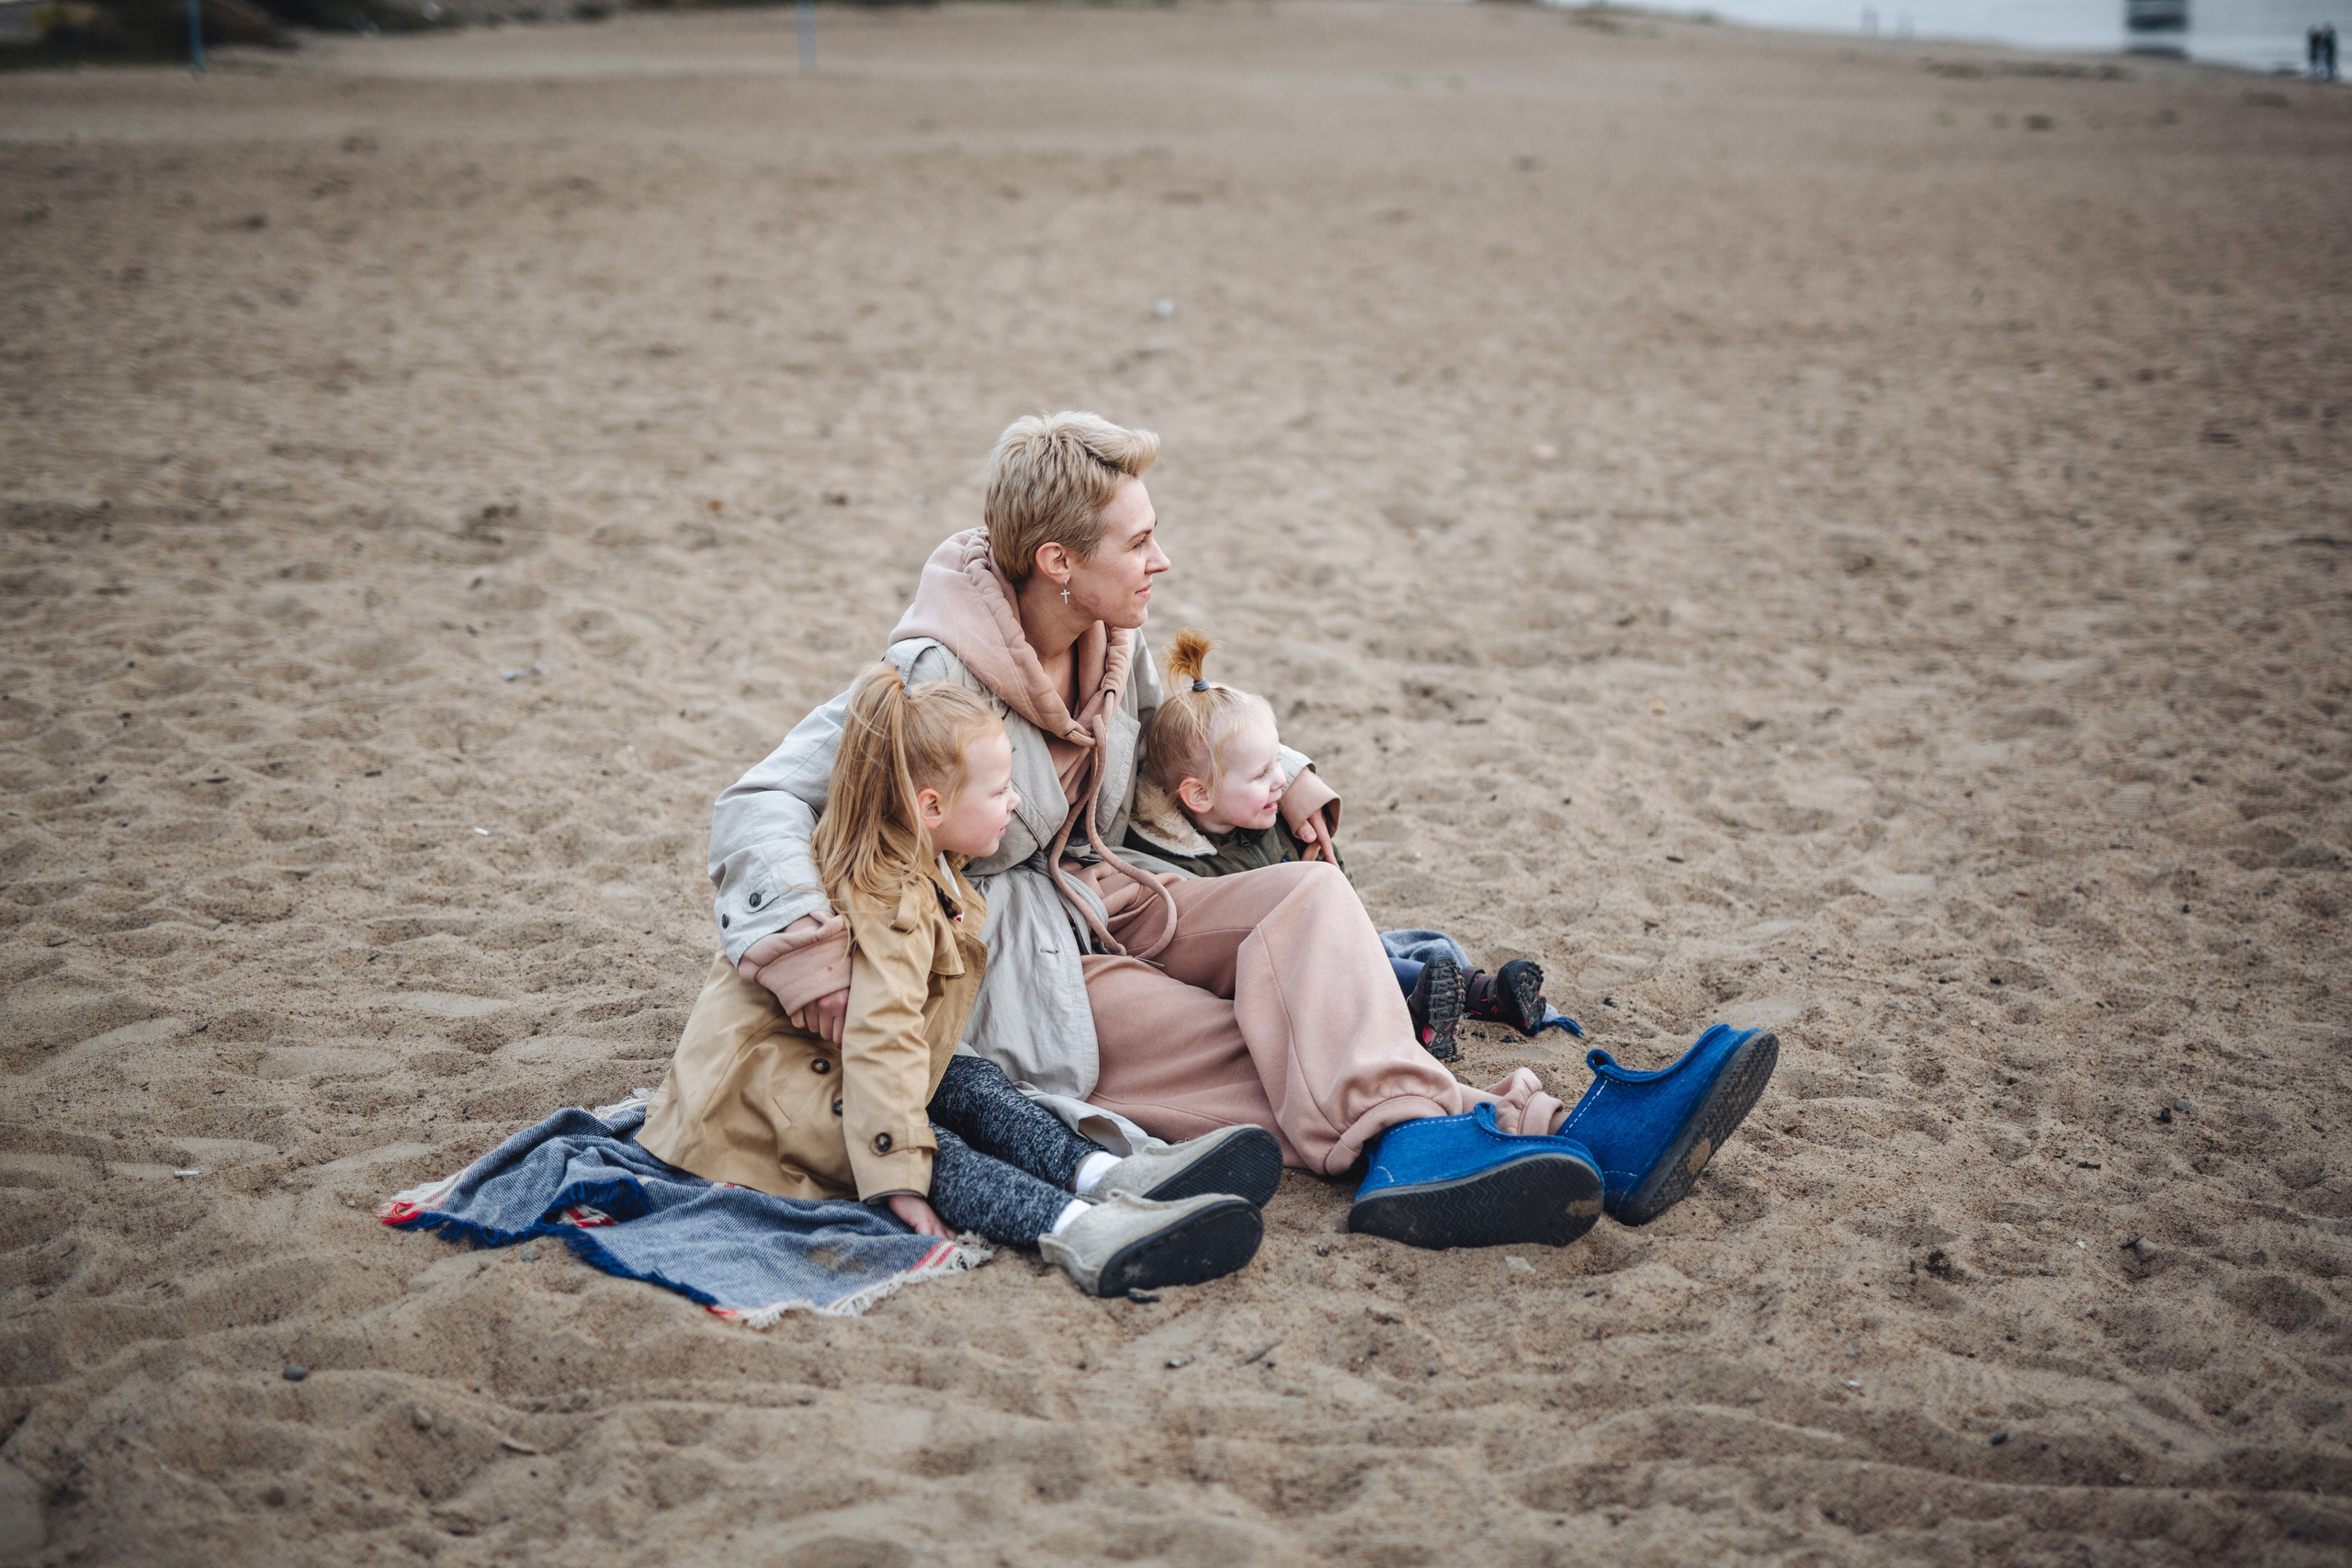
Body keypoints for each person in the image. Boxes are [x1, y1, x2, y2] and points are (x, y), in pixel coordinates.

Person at [693, 412, 1776, 1251]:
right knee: (1259, 1045)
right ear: (1059, 562)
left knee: (1309, 901)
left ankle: (1454, 1141)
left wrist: (1293, 777)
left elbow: (1175, 723)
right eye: (1141, 541)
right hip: (1013, 957)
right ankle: (1544, 1141)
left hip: (1110, 895)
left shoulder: (1113, 638)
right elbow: (759, 800)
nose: (1161, 562)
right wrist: (805, 959)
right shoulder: (929, 679)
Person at [637, 664, 1280, 1297]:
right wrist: (897, 1174)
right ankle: (1081, 1226)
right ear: (932, 805)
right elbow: (880, 1046)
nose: (1017, 801)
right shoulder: (891, 902)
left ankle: (1106, 1172)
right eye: (1001, 790)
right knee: (934, 1145)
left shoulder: (930, 863)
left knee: (974, 1082)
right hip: (762, 1100)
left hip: (822, 1061)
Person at [1122, 626, 1555, 1061]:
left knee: (1378, 955)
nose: (1280, 781)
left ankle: (1485, 994)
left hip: (1333, 946)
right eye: (1260, 775)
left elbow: (1337, 881)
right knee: (1346, 977)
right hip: (1276, 976)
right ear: (1199, 795)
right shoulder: (1175, 867)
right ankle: (1428, 1011)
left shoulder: (1277, 821)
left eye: (1277, 761)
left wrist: (1332, 884)